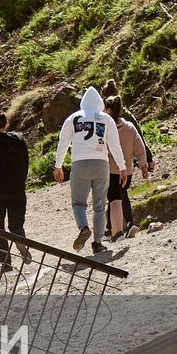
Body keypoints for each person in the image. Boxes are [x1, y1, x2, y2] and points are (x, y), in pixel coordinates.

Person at [52, 86, 127, 255]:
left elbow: (63, 142)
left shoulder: (73, 118)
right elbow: (115, 146)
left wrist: (58, 166)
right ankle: (98, 243)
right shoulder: (106, 119)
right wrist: (122, 168)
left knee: (78, 203)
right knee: (99, 206)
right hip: (101, 164)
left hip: (79, 164)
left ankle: (84, 227)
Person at [0, 109, 32, 271]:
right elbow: (25, 163)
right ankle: (19, 238)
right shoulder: (19, 140)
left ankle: (5, 263)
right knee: (16, 224)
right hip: (17, 189)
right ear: (7, 123)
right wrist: (21, 183)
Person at [105, 94, 150, 242]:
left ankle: (114, 231)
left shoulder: (105, 128)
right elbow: (140, 147)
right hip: (128, 173)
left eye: (105, 108)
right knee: (120, 197)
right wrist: (143, 165)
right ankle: (124, 225)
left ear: (110, 110)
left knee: (114, 200)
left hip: (111, 172)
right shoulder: (130, 127)